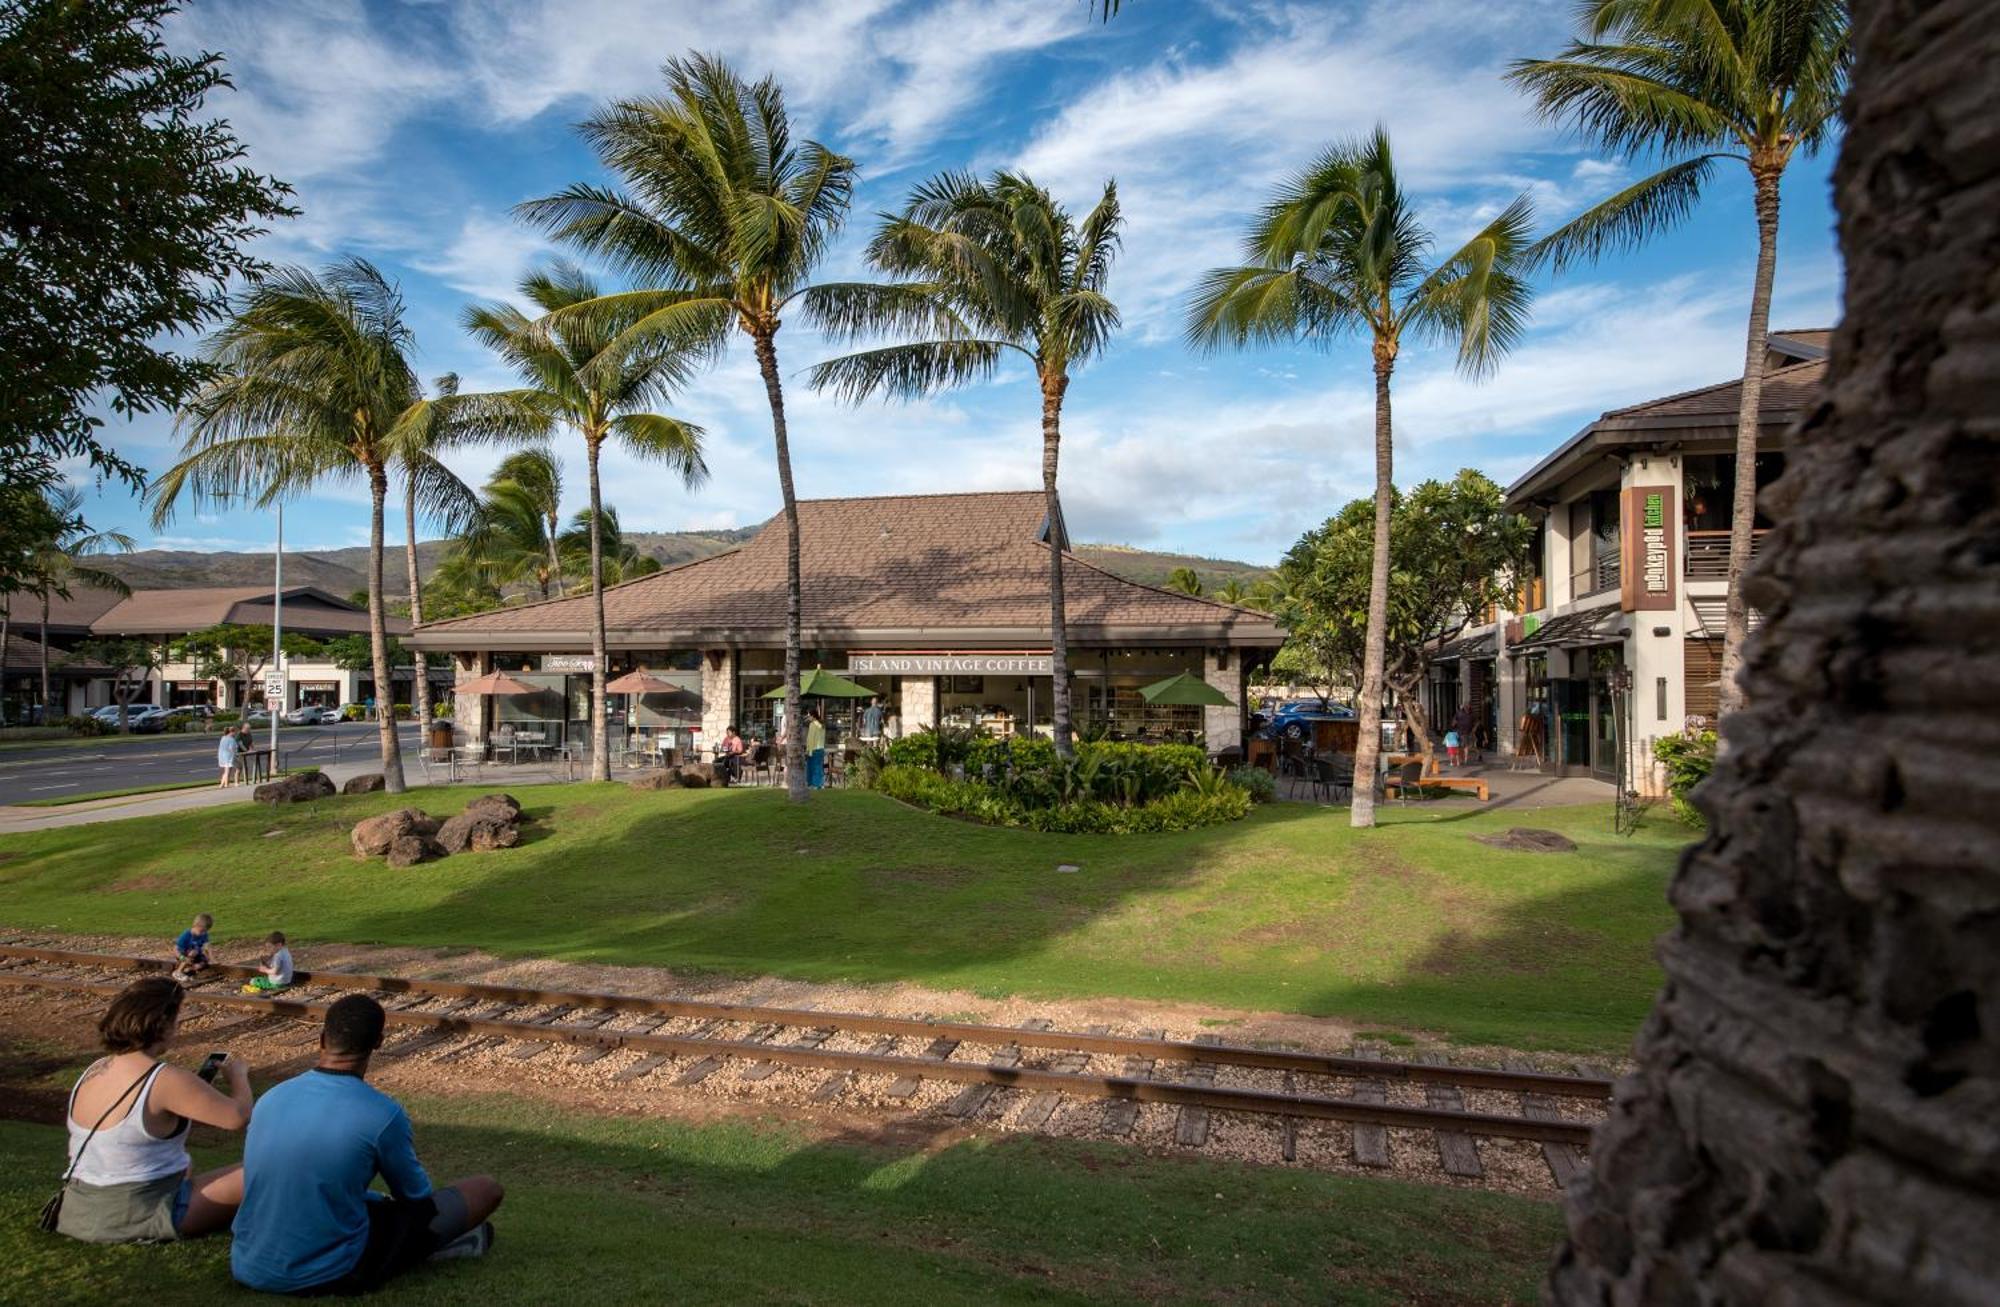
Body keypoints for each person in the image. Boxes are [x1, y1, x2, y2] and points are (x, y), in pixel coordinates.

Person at [232, 995, 503, 1295]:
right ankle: (437, 1249)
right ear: (379, 1043)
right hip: (329, 1273)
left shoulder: (272, 1097)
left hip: (248, 1265)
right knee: (485, 1189)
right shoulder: (382, 1114)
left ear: (321, 1039)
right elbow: (417, 1199)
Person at [55, 976, 253, 1243]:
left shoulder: (96, 1069)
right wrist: (238, 1077)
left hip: (78, 1210)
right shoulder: (164, 1078)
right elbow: (237, 1117)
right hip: (137, 1213)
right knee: (267, 1170)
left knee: (186, 1164)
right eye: (176, 1020)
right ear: (162, 1026)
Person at [172, 913, 213, 981]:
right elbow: (175, 949)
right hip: (183, 955)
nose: (203, 933)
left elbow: (207, 946)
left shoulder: (204, 934)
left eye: (205, 931)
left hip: (195, 955)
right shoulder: (186, 935)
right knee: (194, 951)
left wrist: (211, 958)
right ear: (195, 925)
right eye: (201, 931)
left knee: (205, 961)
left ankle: (188, 970)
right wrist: (182, 958)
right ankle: (178, 972)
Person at [804, 707, 827, 789]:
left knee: (812, 767)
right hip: (820, 749)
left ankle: (814, 784)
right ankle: (817, 784)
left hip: (814, 749)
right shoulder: (821, 724)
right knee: (817, 767)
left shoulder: (813, 725)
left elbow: (810, 738)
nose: (808, 717)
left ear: (813, 716)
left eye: (809, 716)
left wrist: (807, 750)